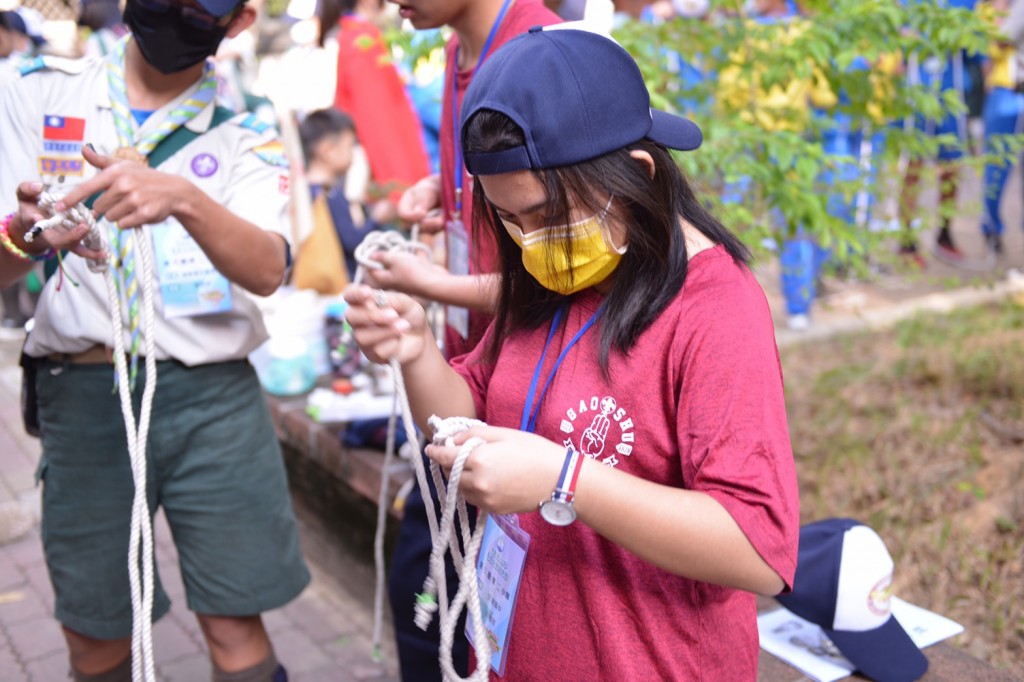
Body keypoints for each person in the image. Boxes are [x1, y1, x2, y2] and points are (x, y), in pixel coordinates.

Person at [345, 27, 799, 681]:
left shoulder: (715, 307)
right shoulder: (556, 269)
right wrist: (416, 350)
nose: (529, 242)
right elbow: (468, 410)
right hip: (514, 648)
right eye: (509, 220)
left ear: (636, 174)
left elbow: (759, 548)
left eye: (542, 215)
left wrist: (567, 481)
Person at [0, 0, 311, 679]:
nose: (177, 11)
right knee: (93, 631)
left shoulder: (247, 133)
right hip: (84, 390)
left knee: (234, 622)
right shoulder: (34, 91)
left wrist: (184, 199)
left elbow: (267, 268)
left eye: (203, 5)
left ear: (240, 21)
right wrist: (21, 235)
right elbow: (6, 257)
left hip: (213, 399)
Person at [368, 1, 561, 679]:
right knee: (428, 606)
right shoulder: (458, 50)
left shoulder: (545, 54)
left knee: (463, 613)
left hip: (522, 400)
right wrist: (444, 195)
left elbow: (568, 278)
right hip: (463, 379)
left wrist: (431, 284)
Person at [318, 0, 431, 207]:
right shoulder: (360, 42)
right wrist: (402, 190)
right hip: (395, 186)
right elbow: (379, 124)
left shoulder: (356, 36)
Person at [298, 107, 390, 283]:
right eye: (350, 146)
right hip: (339, 285)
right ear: (328, 150)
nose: (353, 155)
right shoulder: (330, 193)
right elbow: (353, 242)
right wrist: (377, 219)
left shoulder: (304, 190)